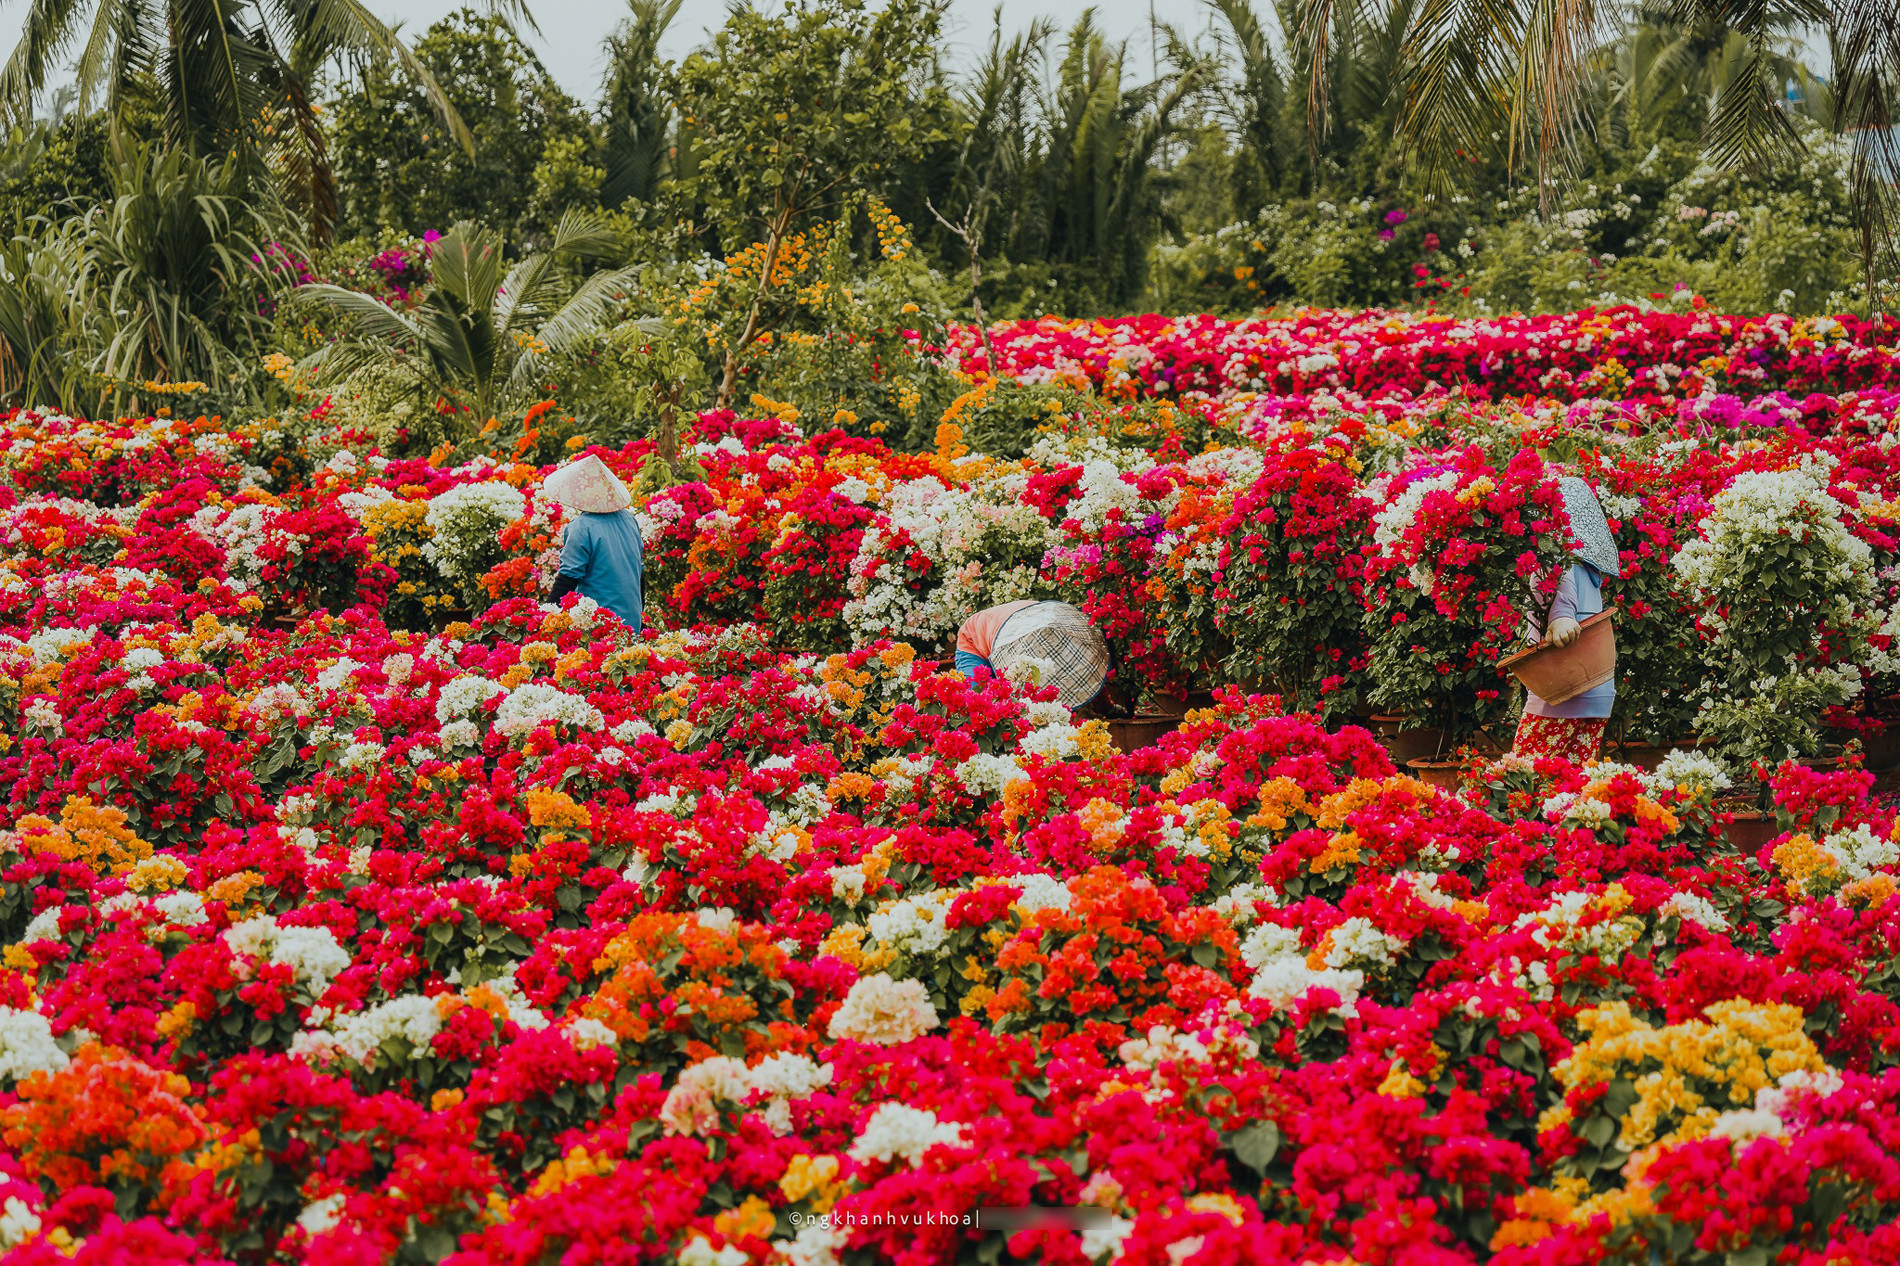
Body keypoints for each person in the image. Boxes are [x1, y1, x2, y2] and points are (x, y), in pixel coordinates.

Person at [1510, 476, 1620, 764]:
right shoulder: (1588, 568)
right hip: (1596, 691)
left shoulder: (1558, 560)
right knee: (1573, 782)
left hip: (1559, 691)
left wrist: (1559, 619)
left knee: (1525, 775)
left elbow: (1562, 597)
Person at [954, 599, 1127, 712]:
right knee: (978, 700)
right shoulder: (1020, 648)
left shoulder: (1062, 635)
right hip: (975, 639)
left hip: (1019, 619)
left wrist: (1109, 709)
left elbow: (1087, 676)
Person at [541, 454, 645, 630]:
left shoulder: (581, 527)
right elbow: (640, 572)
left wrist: (544, 613)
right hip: (632, 620)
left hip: (599, 624)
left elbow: (568, 578)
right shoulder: (629, 519)